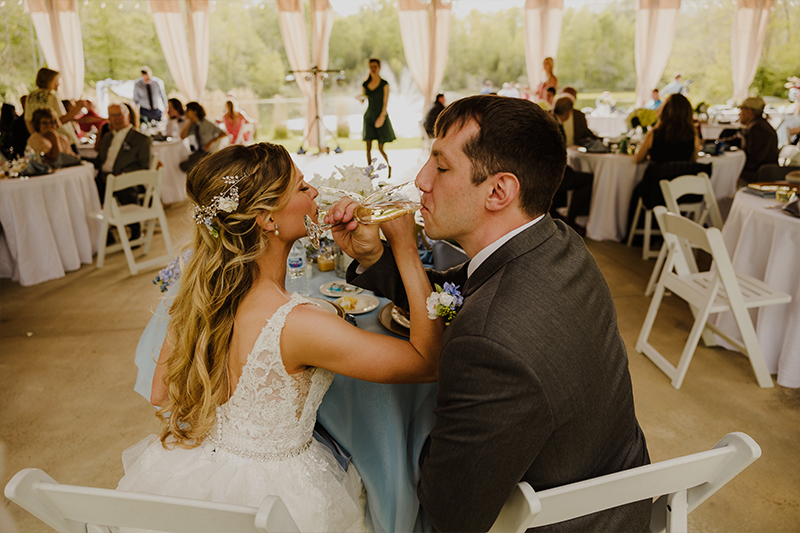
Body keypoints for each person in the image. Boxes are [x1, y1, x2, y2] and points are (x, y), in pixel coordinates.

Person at [327, 95, 651, 532]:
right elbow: (455, 293)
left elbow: (450, 511)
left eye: (441, 167)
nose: (421, 180)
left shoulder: (489, 342)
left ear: (499, 191)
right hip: (620, 485)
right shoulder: (555, 242)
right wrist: (377, 257)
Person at [116, 142, 443, 532]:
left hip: (198, 475)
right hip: (277, 497)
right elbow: (427, 361)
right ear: (267, 219)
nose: (315, 192)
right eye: (302, 187)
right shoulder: (296, 324)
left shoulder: (200, 296)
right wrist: (404, 249)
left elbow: (161, 393)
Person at [96, 103, 152, 241]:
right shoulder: (107, 137)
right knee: (87, 190)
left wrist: (122, 174)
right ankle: (104, 232)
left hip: (127, 178)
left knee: (124, 187)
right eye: (113, 115)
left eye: (119, 115)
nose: (116, 119)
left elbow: (144, 166)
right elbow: (100, 160)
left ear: (128, 116)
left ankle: (135, 230)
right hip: (103, 177)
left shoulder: (141, 139)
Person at [551, 94, 595, 234]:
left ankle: (560, 214)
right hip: (550, 174)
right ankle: (571, 220)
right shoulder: (555, 125)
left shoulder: (550, 119)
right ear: (568, 112)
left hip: (548, 170)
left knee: (573, 172)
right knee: (587, 179)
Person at [24, 67, 84, 147]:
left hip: (44, 139)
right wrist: (78, 108)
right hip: (60, 139)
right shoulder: (51, 96)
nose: (58, 84)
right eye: (56, 81)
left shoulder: (31, 96)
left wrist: (36, 136)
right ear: (49, 81)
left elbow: (28, 120)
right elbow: (60, 121)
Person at [359, 58, 396, 173]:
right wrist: (360, 98)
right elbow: (363, 99)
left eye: (375, 67)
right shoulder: (365, 84)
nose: (373, 69)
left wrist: (382, 117)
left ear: (379, 68)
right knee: (368, 147)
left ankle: (389, 166)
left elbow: (385, 103)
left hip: (380, 116)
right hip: (369, 116)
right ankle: (369, 171)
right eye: (371, 67)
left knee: (381, 147)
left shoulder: (384, 84)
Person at [737, 96, 779, 186]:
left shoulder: (757, 128)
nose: (739, 114)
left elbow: (754, 160)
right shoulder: (759, 125)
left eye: (741, 111)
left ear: (748, 112)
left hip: (760, 176)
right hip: (763, 173)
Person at [179, 101, 227, 173]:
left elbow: (224, 133)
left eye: (187, 110)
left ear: (194, 112)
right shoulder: (193, 124)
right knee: (184, 162)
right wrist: (190, 122)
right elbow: (182, 136)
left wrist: (211, 142)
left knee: (184, 166)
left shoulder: (206, 123)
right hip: (198, 152)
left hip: (208, 153)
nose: (185, 112)